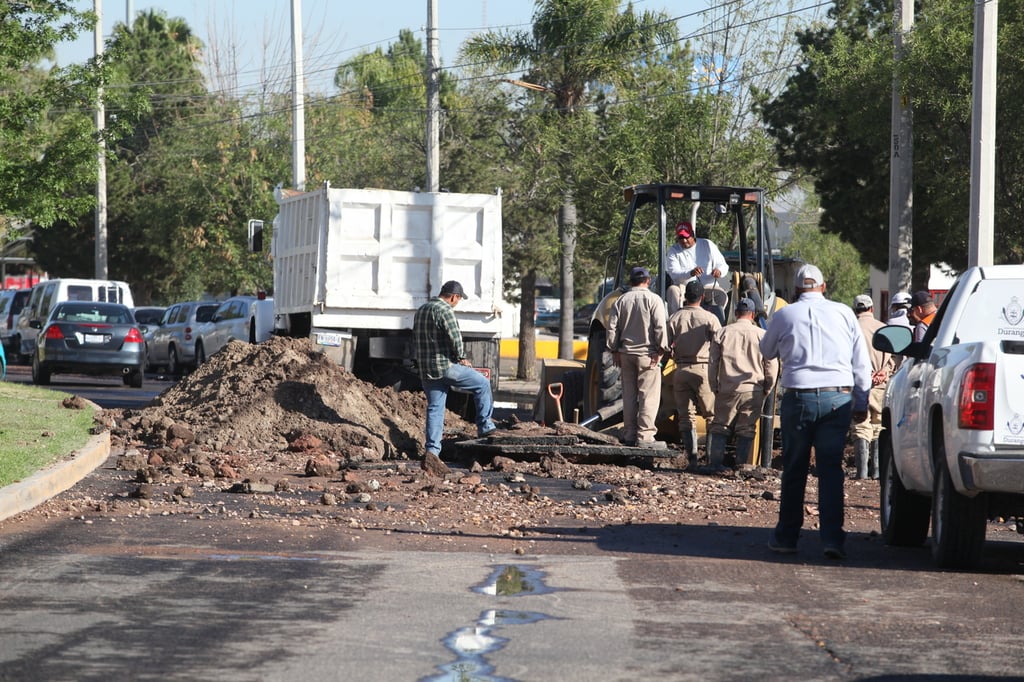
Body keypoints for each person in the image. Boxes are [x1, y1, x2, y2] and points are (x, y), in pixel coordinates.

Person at [759, 264, 872, 560]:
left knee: (794, 469)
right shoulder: (844, 313)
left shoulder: (784, 315)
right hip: (838, 398)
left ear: (797, 290)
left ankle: (786, 537)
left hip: (799, 398)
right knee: (831, 470)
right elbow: (861, 363)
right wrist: (862, 402)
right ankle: (832, 539)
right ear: (823, 287)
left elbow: (766, 351)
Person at [413, 280, 497, 458]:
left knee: (435, 408)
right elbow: (455, 337)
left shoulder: (422, 310)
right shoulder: (445, 310)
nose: (457, 302)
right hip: (445, 367)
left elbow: (416, 338)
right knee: (482, 384)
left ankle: (432, 452)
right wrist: (462, 358)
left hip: (426, 369)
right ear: (453, 297)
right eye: (458, 299)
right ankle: (485, 426)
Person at [708, 297, 778, 470]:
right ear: (753, 315)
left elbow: (713, 363)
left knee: (720, 426)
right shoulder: (762, 335)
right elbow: (771, 365)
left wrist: (714, 386)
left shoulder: (722, 333)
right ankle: (741, 467)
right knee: (746, 429)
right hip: (753, 389)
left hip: (727, 388)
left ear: (735, 313)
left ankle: (715, 465)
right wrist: (767, 387)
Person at [607, 266, 669, 449]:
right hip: (648, 355)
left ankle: (630, 434)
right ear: (648, 281)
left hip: (626, 354)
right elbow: (660, 326)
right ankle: (645, 436)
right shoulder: (654, 300)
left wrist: (614, 350)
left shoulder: (621, 301)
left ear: (631, 281)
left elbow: (612, 328)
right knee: (648, 396)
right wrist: (661, 350)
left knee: (629, 395)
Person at [667, 279, 721, 467]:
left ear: (685, 296)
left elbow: (666, 345)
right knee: (711, 416)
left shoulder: (674, 317)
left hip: (681, 369)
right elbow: (719, 343)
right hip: (703, 370)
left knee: (685, 417)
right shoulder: (710, 318)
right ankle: (712, 460)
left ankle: (692, 460)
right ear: (702, 297)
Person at [851, 294, 896, 480]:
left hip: (858, 384)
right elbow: (894, 358)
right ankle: (876, 472)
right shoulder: (884, 328)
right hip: (880, 385)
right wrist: (884, 372)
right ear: (872, 309)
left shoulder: (851, 328)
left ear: (855, 310)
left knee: (860, 425)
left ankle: (861, 472)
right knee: (878, 425)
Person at [665, 221, 729, 316]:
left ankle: (717, 321)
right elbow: (674, 274)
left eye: (686, 237)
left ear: (692, 234)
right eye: (681, 237)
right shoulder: (673, 251)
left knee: (721, 295)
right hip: (685, 289)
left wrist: (719, 271)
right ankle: (676, 320)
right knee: (672, 290)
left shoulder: (707, 244)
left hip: (707, 287)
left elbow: (723, 265)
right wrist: (690, 273)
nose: (684, 240)